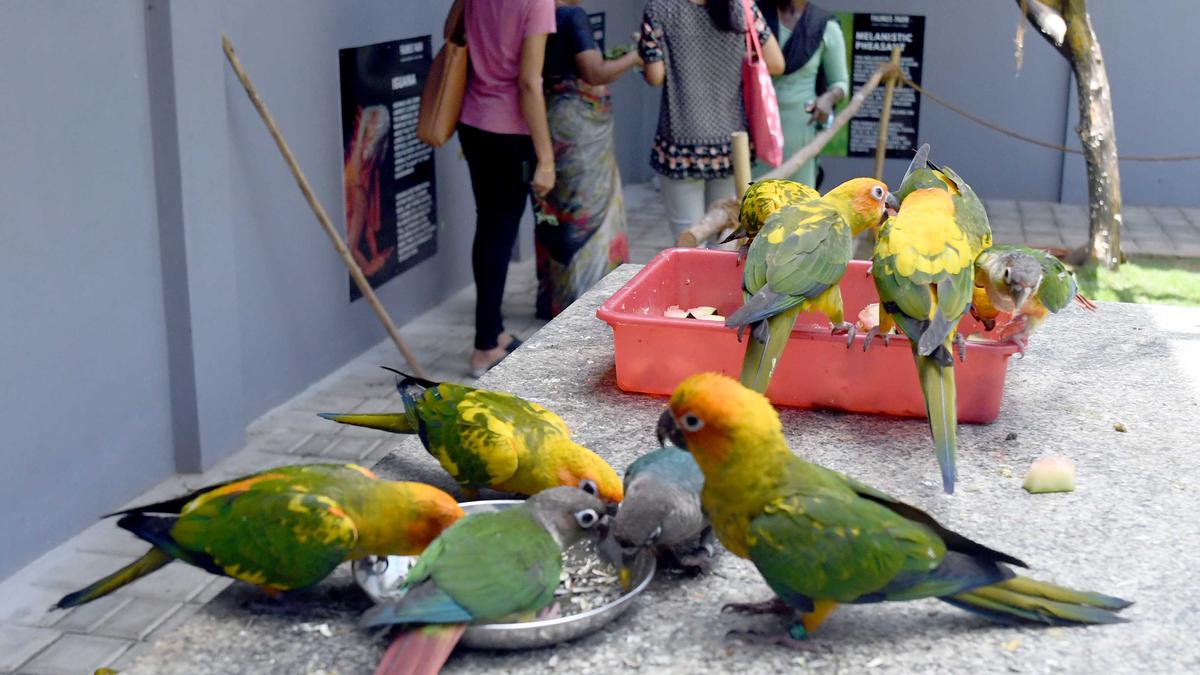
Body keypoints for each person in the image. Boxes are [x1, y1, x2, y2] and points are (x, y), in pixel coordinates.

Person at [449, 0, 557, 377]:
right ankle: (484, 347)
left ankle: (492, 332)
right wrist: (546, 158)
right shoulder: (537, 3)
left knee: (489, 228)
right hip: (509, 130)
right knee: (499, 232)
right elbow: (529, 82)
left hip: (472, 120)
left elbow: (453, 30)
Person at [638, 0, 784, 243]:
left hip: (680, 144)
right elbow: (777, 63)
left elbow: (655, 76)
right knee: (726, 236)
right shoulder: (743, 7)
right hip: (730, 145)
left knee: (688, 240)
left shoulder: (659, 8)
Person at [533, 1, 643, 319]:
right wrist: (635, 55)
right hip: (580, 131)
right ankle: (585, 300)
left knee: (555, 208)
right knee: (588, 210)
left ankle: (554, 298)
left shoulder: (534, 13)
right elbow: (593, 73)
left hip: (548, 122)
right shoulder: (572, 16)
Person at [756, 0, 848, 187]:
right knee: (751, 200)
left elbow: (840, 83)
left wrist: (828, 98)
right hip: (756, 128)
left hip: (800, 130)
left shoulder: (824, 25)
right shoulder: (757, 16)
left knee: (797, 204)